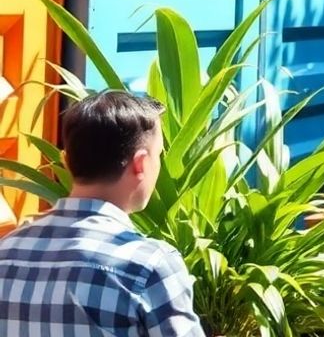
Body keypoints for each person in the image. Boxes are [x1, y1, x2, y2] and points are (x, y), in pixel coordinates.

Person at [0, 91, 204, 335]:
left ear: (66, 161)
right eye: (159, 155)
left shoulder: (7, 250)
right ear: (140, 163)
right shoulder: (149, 266)